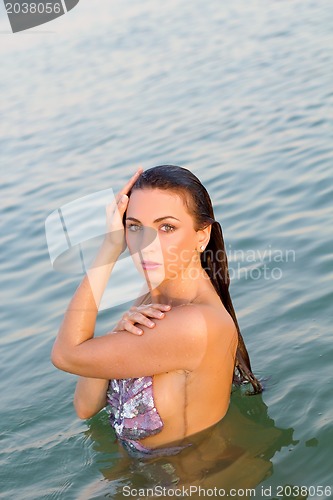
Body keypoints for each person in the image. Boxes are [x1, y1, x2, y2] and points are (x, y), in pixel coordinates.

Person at [51, 165, 262, 458]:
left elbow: (65, 355)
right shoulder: (153, 295)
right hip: (140, 475)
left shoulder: (195, 323)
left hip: (185, 484)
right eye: (135, 226)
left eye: (167, 227)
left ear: (202, 236)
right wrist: (116, 333)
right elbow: (85, 407)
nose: (146, 245)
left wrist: (107, 252)